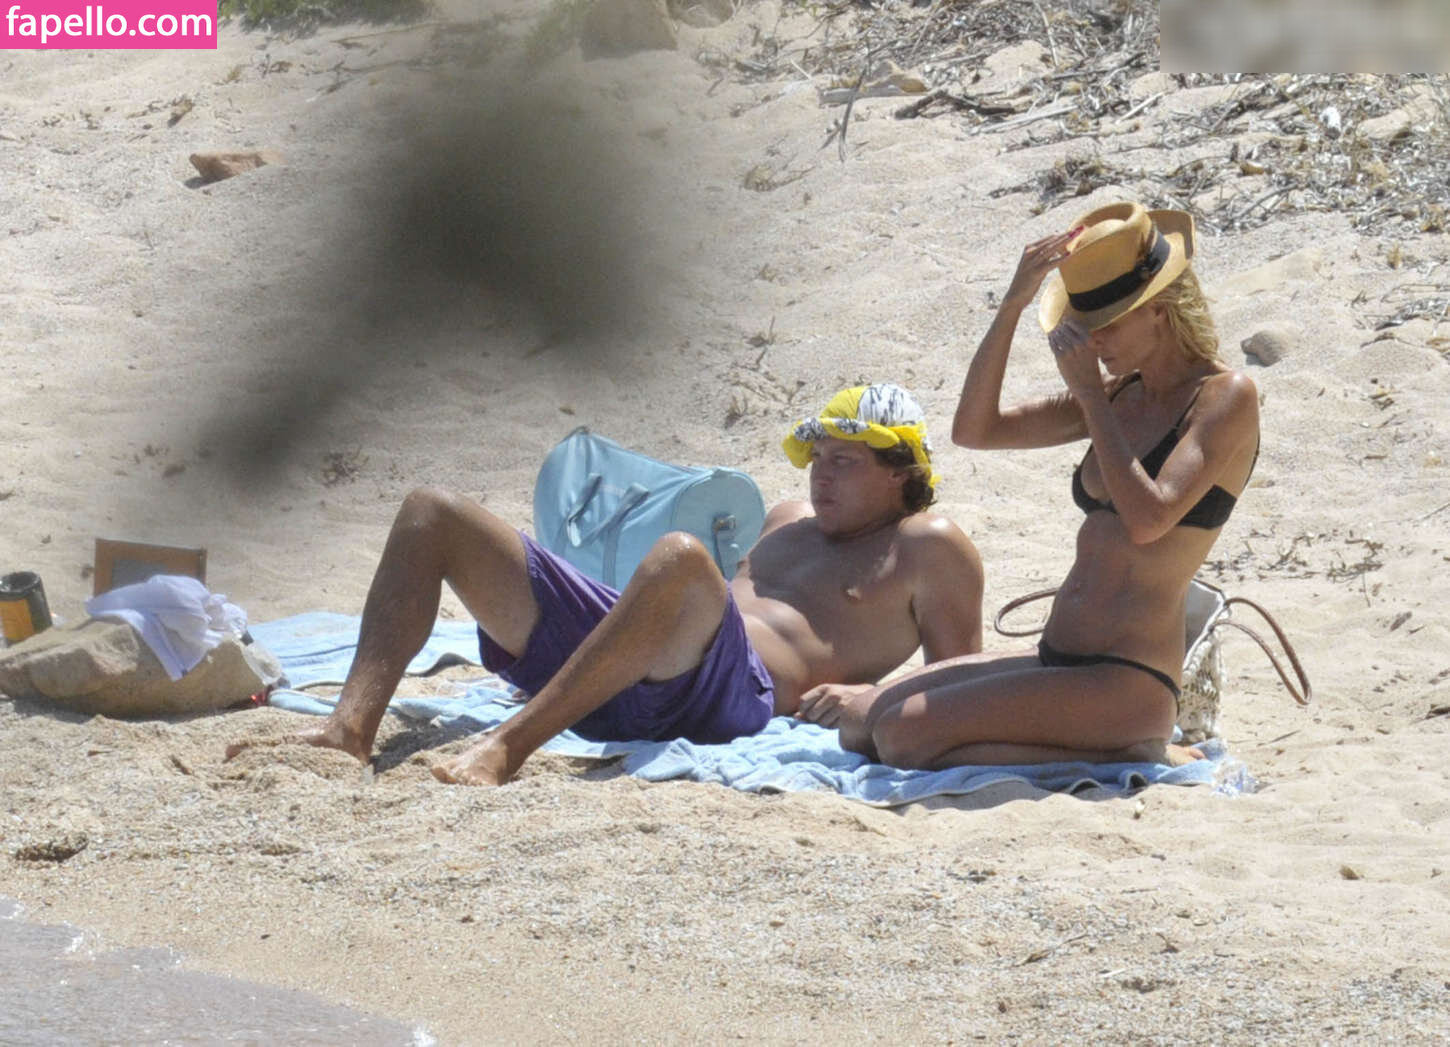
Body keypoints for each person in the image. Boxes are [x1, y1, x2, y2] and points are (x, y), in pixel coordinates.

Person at [227, 383, 984, 785]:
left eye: (846, 462)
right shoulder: (789, 518)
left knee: (681, 556)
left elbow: (962, 680)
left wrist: (869, 696)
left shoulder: (929, 546)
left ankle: (509, 747)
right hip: (643, 661)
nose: (821, 475)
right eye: (818, 458)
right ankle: (349, 729)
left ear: (901, 473)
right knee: (433, 512)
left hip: (733, 696)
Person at [798, 202, 1260, 769]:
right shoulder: (1122, 395)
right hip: (1057, 658)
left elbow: (1149, 520)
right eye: (1084, 326)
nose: (1093, 342)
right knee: (859, 724)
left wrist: (1088, 396)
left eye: (1108, 324)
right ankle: (1100, 750)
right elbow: (976, 430)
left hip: (1126, 678)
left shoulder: (1225, 396)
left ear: (1159, 311)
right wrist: (1013, 305)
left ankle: (1137, 751)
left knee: (901, 738)